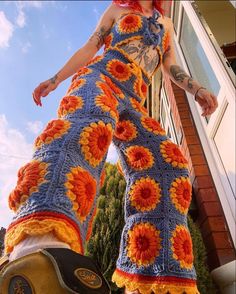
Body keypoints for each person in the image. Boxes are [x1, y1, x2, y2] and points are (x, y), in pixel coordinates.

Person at [1, 0, 218, 293]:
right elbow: (91, 46)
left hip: (135, 99)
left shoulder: (165, 25)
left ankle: (153, 280)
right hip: (102, 78)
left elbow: (171, 67)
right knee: (89, 129)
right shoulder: (117, 10)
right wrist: (54, 80)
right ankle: (37, 247)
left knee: (168, 168)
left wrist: (198, 88)